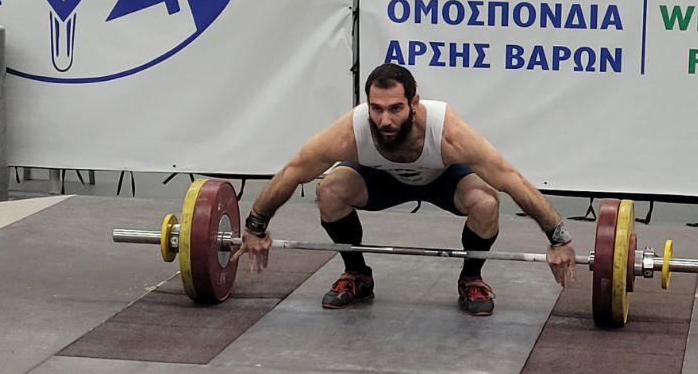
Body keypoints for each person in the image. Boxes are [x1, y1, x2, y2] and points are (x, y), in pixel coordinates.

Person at [234, 62, 577, 316]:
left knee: (487, 201)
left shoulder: (448, 132)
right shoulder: (352, 131)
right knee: (330, 190)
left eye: (395, 109)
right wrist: (255, 227)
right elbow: (294, 171)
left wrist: (559, 238)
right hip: (380, 180)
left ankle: (471, 278)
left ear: (414, 103)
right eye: (377, 109)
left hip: (442, 179)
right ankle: (357, 273)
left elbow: (511, 178)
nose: (385, 120)